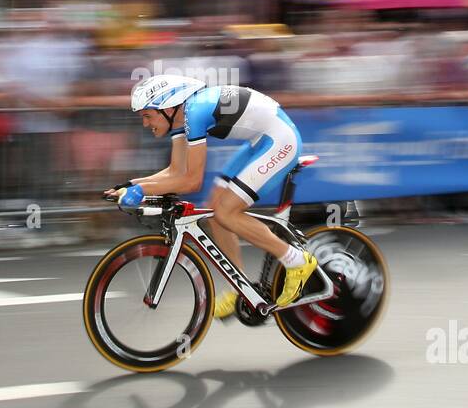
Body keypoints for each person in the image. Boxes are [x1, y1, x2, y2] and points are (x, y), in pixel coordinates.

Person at [105, 75, 317, 319]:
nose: (145, 123)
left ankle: (296, 260)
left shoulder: (194, 112)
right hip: (260, 141)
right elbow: (175, 172)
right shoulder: (181, 116)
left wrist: (140, 191)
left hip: (280, 141)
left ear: (168, 107)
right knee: (214, 211)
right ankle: (242, 289)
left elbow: (191, 181)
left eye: (147, 115)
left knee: (226, 212)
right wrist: (130, 185)